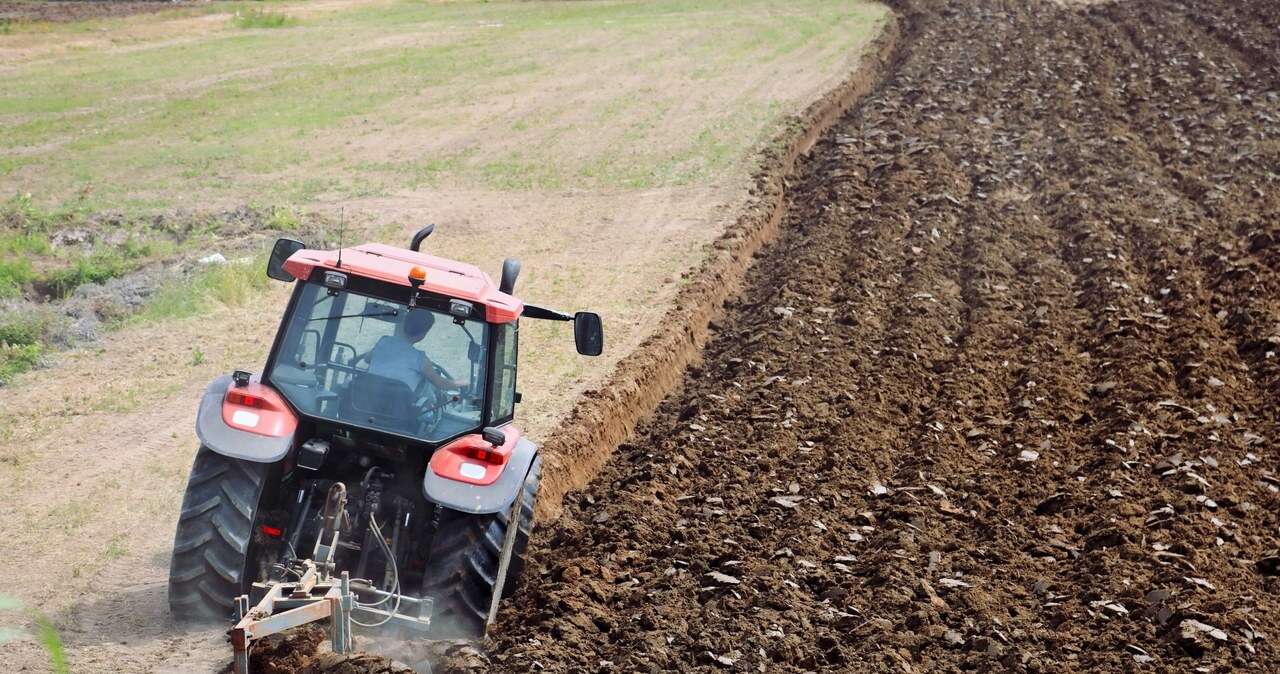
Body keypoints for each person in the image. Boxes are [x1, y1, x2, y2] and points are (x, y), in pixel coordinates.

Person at [358, 309, 460, 394]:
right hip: (395, 414)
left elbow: (367, 359)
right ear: (423, 335)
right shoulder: (420, 359)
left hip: (364, 404)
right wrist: (460, 384)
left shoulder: (384, 341)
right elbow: (440, 383)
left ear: (403, 325)